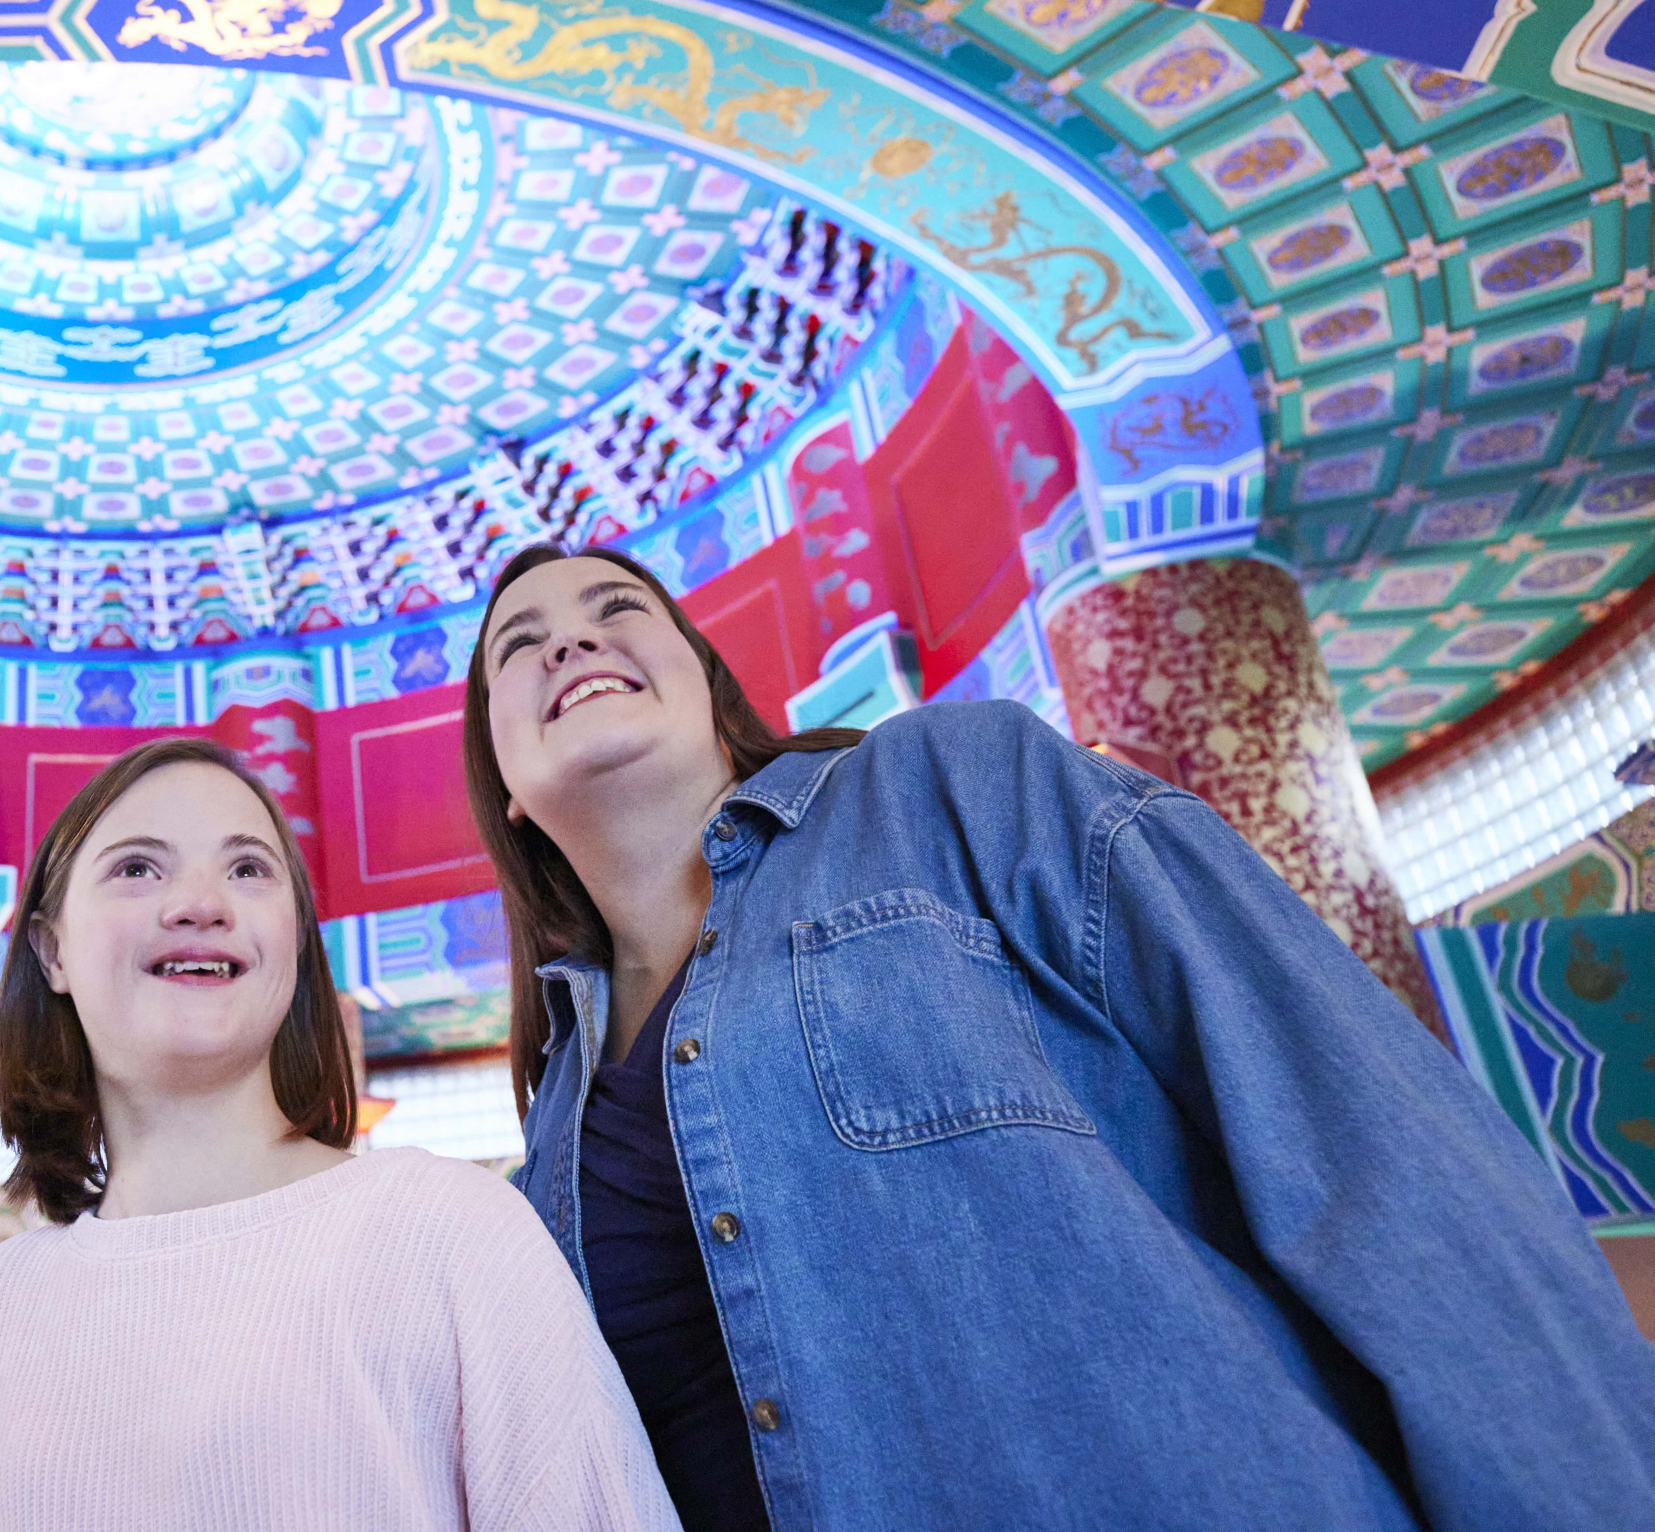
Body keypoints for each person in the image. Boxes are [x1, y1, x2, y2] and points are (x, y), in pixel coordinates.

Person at [463, 543, 1655, 1532]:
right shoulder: (548, 1146)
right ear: (508, 787)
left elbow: (1377, 1155)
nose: (571, 641)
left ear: (710, 687)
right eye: (521, 644)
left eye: (619, 608)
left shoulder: (954, 786)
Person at [0, 735, 679, 1532]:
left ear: (297, 942)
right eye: (137, 868)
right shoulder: (2, 1300)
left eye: (247, 870)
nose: (202, 903)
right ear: (51, 948)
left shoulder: (449, 1228)